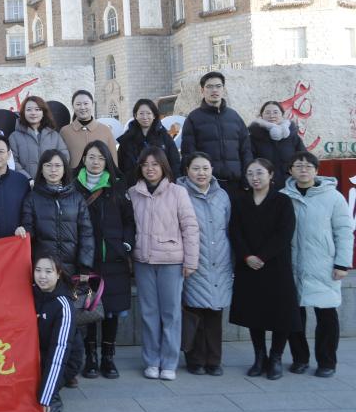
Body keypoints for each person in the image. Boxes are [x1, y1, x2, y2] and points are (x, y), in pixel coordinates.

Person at [128, 147, 199, 381]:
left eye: (155, 164)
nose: (150, 169)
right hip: (143, 260)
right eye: (145, 164)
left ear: (163, 166)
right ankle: (151, 361)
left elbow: (190, 227)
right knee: (149, 313)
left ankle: (169, 362)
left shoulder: (178, 192)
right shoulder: (133, 193)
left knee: (171, 313)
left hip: (171, 261)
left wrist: (191, 260)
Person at [282, 151, 353, 378]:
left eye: (308, 166)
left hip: (323, 265)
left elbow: (343, 231)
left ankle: (327, 362)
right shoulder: (283, 196)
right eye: (298, 165)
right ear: (290, 170)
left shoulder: (333, 197)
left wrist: (342, 263)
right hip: (291, 266)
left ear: (316, 170)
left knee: (327, 317)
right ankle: (300, 359)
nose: (303, 169)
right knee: (295, 317)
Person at [229, 159, 300, 380]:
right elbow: (235, 232)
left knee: (281, 313)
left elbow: (284, 233)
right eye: (250, 174)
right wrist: (247, 256)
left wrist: (262, 256)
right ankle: (259, 357)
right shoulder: (240, 201)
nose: (255, 177)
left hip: (276, 265)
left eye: (259, 173)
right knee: (253, 313)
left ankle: (276, 357)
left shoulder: (282, 201)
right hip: (248, 265)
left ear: (271, 175)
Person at [73, 141, 135, 380]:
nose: (95, 161)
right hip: (86, 261)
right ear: (84, 159)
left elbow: (130, 221)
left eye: (100, 157)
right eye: (91, 157)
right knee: (88, 309)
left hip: (114, 259)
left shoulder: (118, 186)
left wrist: (126, 245)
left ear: (107, 160)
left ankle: (108, 357)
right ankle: (90, 357)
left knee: (111, 311)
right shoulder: (74, 187)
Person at [178, 152, 233, 376]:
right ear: (187, 171)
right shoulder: (180, 194)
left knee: (214, 314)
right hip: (194, 261)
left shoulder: (222, 196)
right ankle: (195, 359)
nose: (201, 173)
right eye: (196, 168)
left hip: (219, 260)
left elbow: (229, 227)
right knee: (194, 312)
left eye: (205, 168)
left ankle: (214, 360)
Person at [16, 150, 95, 278]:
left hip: (72, 269)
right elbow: (29, 232)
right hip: (44, 271)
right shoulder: (32, 198)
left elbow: (86, 234)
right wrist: (22, 232)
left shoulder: (76, 198)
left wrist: (85, 266)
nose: (53, 170)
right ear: (41, 169)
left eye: (58, 166)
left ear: (64, 169)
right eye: (48, 165)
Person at [179, 72, 252, 190]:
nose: (214, 90)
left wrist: (247, 178)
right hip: (207, 186)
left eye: (218, 86)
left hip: (236, 184)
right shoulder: (193, 118)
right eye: (209, 87)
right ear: (202, 90)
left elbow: (246, 150)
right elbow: (188, 154)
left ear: (223, 89)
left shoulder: (234, 116)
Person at [33, 253, 80, 412]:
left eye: (48, 271)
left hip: (63, 360)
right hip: (37, 354)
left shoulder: (64, 305)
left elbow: (59, 352)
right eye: (38, 270)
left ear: (58, 274)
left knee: (38, 397)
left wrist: (46, 397)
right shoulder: (31, 294)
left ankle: (53, 395)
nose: (42, 276)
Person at [117, 98, 181, 187]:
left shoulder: (164, 137)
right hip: (134, 187)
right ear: (135, 115)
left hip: (161, 187)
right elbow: (121, 165)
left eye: (148, 113)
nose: (145, 117)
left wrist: (173, 184)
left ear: (154, 115)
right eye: (141, 113)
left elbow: (175, 162)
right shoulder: (127, 139)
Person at [248, 101, 306, 191]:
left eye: (275, 112)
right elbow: (249, 161)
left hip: (291, 185)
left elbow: (303, 157)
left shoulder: (292, 136)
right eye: (267, 112)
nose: (272, 116)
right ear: (261, 115)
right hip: (264, 186)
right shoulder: (253, 137)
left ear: (282, 115)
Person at [9, 96, 68, 180]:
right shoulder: (14, 137)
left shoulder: (54, 135)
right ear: (23, 113)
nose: (33, 113)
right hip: (26, 184)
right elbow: (13, 161)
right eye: (29, 109)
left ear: (43, 112)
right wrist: (28, 179)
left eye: (37, 109)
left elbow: (64, 157)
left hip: (51, 184)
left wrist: (54, 175)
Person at [59, 90, 118, 168]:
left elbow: (113, 160)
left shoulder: (105, 130)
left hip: (101, 178)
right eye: (78, 104)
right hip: (73, 178)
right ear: (73, 106)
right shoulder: (65, 131)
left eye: (86, 103)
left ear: (92, 105)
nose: (82, 107)